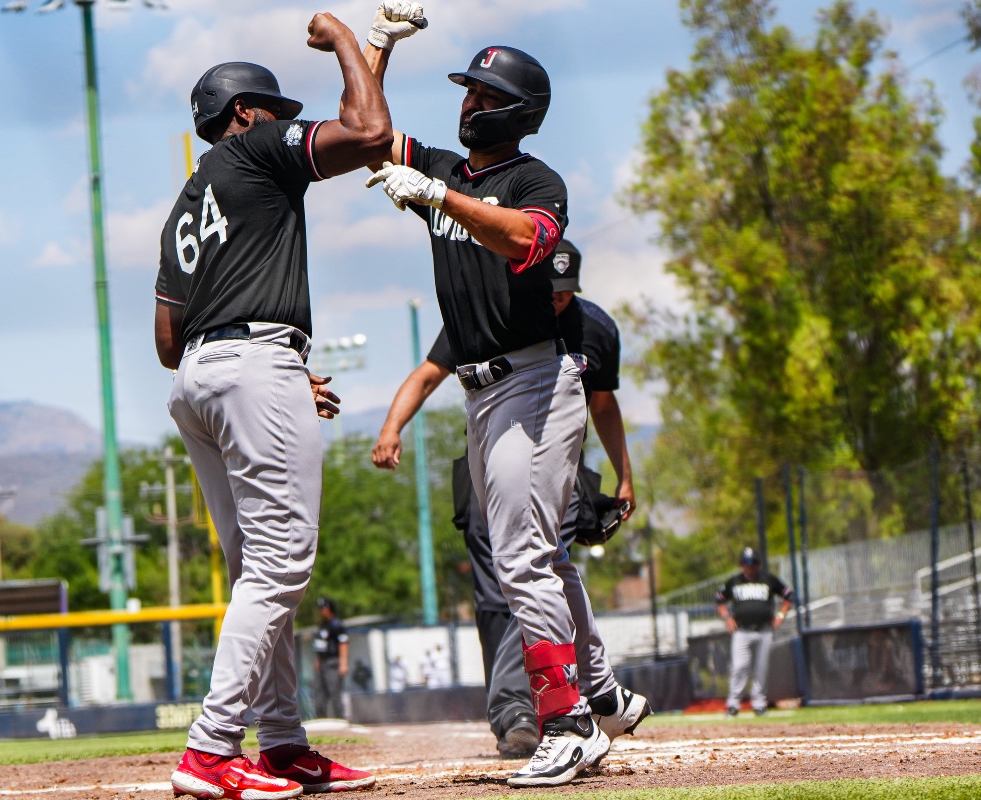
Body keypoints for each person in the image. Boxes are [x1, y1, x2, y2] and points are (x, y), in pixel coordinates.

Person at [154, 8, 410, 798]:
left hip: (198, 379)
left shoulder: (191, 200)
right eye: (273, 111)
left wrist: (379, 49)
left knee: (255, 573)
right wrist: (341, 38)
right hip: (254, 367)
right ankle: (209, 749)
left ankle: (284, 743)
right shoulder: (256, 151)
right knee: (280, 564)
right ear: (242, 115)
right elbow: (368, 133)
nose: (284, 124)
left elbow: (168, 338)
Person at [362, 7, 607, 784]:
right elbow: (365, 132)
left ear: (514, 110)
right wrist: (377, 45)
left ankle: (565, 721)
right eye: (466, 90)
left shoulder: (534, 179)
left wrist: (436, 195)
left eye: (481, 93)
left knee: (524, 557)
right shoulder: (445, 167)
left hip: (536, 376)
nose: (468, 102)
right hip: (481, 391)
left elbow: (528, 240)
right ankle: (595, 688)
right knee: (537, 555)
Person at [373, 242, 650, 760]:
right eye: (552, 290)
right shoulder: (495, 310)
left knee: (529, 567)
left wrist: (624, 476)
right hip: (490, 459)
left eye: (567, 292)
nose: (559, 300)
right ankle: (593, 693)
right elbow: (429, 373)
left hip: (554, 467)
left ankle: (526, 709)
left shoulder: (596, 329)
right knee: (502, 592)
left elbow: (605, 407)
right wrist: (391, 428)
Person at [716, 547, 794, 716]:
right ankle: (733, 704)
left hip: (764, 630)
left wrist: (780, 615)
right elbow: (720, 599)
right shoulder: (734, 582)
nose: (749, 567)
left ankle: (759, 704)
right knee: (739, 667)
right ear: (741, 565)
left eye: (753, 563)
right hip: (742, 631)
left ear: (758, 564)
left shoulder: (768, 580)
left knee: (761, 668)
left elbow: (788, 595)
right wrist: (727, 618)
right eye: (746, 563)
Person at [312, 598, 348, 718]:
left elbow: (343, 643)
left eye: (323, 608)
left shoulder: (336, 624)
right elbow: (321, 645)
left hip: (333, 662)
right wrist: (318, 660)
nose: (321, 611)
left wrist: (343, 663)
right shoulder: (323, 625)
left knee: (334, 691)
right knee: (319, 692)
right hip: (322, 661)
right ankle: (321, 718)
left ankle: (340, 717)